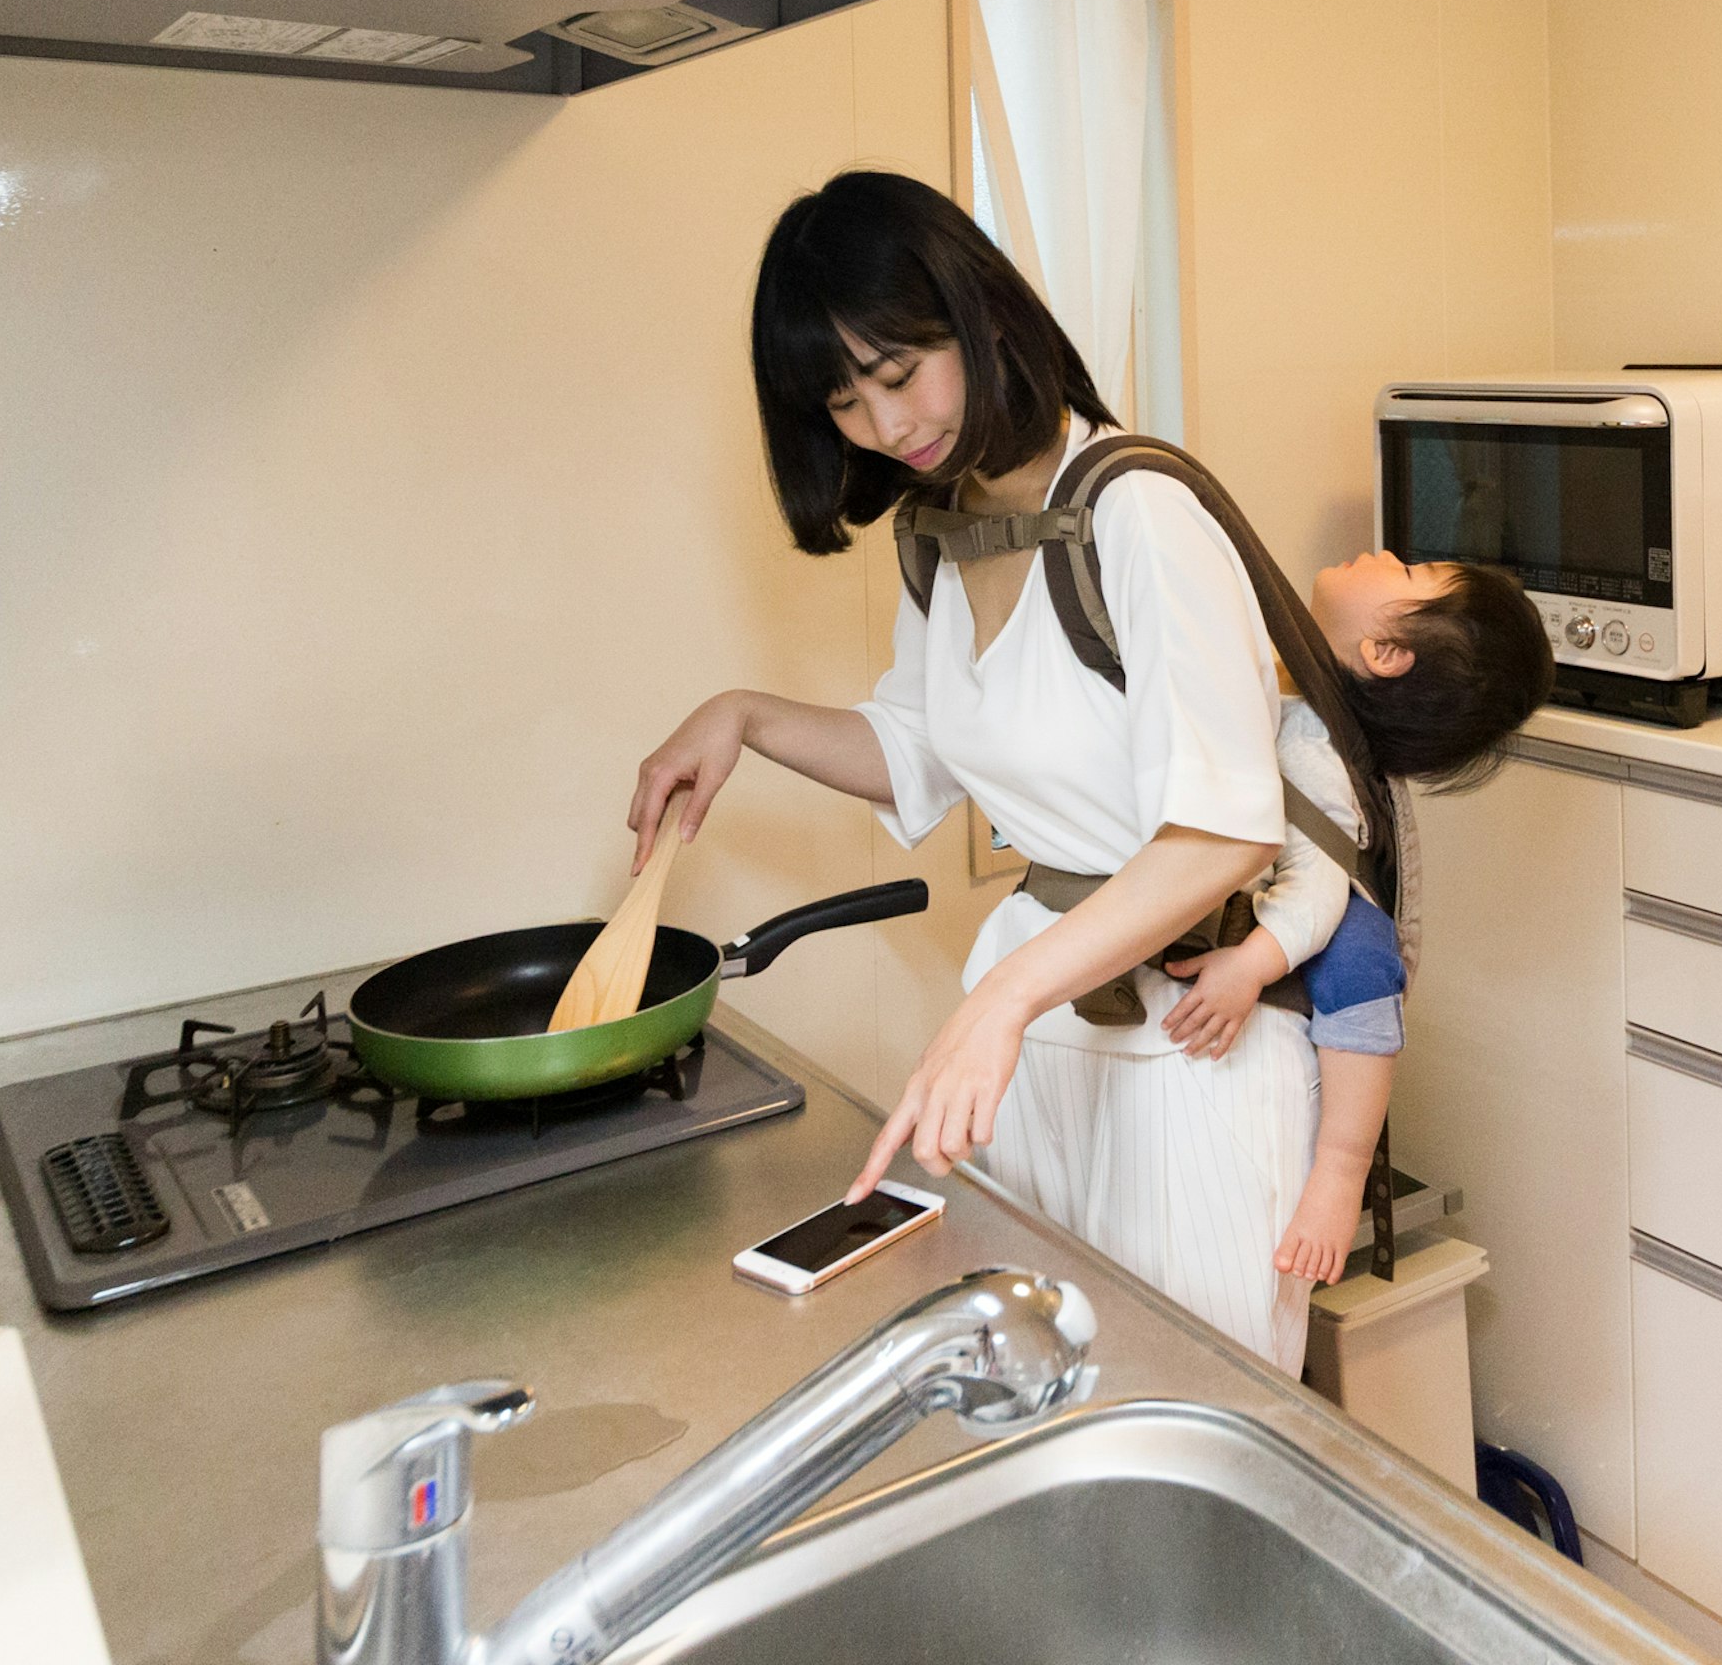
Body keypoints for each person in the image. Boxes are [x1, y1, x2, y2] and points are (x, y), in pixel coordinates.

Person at [628, 171, 1336, 1367]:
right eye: (843, 402)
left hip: (1195, 1042)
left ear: (978, 313)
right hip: (1048, 1030)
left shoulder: (1136, 510)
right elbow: (919, 745)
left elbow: (1225, 832)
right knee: (1051, 1408)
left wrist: (998, 1002)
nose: (886, 427)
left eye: (899, 374)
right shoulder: (942, 532)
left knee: (1192, 1414)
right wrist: (740, 715)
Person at [1155, 547, 1551, 1285]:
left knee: (1363, 953)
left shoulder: (1315, 747)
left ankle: (1341, 1172)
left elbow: (1316, 889)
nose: (1387, 553)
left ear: (1386, 652)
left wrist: (1252, 964)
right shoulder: (1274, 664)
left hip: (1320, 915)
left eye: (1407, 575)